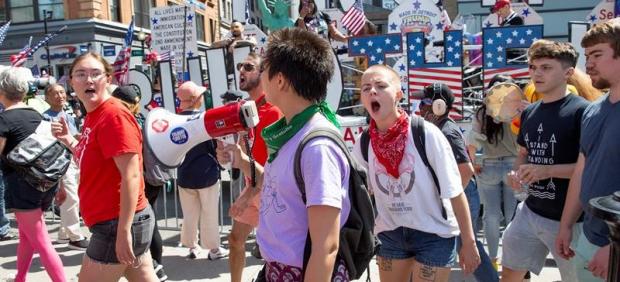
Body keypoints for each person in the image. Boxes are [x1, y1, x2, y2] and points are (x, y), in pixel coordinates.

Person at [218, 28, 350, 281]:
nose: (259, 77)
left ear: (280, 81)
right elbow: (276, 183)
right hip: (278, 269)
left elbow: (326, 246)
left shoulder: (316, 146)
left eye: (264, 70)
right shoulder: (291, 132)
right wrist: (240, 161)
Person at [353, 64, 480, 282]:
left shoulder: (425, 133)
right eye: (366, 88)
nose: (372, 91)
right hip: (390, 233)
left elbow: (456, 191)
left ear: (398, 95)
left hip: (434, 234)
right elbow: (357, 192)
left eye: (381, 85)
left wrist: (468, 242)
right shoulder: (364, 142)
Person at [51, 52, 157, 282]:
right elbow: (90, 158)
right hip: (118, 221)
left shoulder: (113, 115)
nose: (88, 80)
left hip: (116, 223)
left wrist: (123, 232)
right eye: (81, 74)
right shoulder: (93, 114)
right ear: (71, 82)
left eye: (95, 73)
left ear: (108, 79)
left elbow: (131, 175)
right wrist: (68, 139)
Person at [501, 40, 588, 282]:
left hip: (571, 219)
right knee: (509, 272)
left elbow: (589, 169)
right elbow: (522, 154)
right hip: (529, 211)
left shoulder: (583, 112)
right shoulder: (529, 112)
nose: (537, 73)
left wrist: (546, 170)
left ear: (568, 73)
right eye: (533, 67)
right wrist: (516, 174)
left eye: (546, 67)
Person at [555, 20, 620, 281]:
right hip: (588, 239)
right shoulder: (592, 110)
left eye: (597, 54)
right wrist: (566, 225)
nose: (588, 64)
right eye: (587, 56)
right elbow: (583, 171)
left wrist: (616, 247)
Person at [417, 83, 498, 282]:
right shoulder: (441, 128)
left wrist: (450, 200)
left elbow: (466, 169)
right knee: (464, 242)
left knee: (467, 242)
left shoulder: (447, 132)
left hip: (462, 193)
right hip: (458, 193)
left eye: (424, 102)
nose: (419, 107)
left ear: (438, 106)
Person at [0, 67, 66, 282]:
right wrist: (62, 185)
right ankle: (20, 277)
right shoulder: (36, 115)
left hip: (23, 186)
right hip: (47, 182)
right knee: (28, 237)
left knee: (41, 241)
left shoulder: (4, 120)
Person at [227, 53, 282, 282]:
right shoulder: (246, 110)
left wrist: (249, 193)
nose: (242, 70)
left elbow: (274, 166)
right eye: (240, 66)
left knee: (275, 251)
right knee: (235, 240)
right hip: (255, 185)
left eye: (249, 66)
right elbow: (245, 155)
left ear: (263, 73)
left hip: (272, 190)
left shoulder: (273, 111)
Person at [111, 85, 170, 282]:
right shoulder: (147, 120)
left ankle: (152, 267)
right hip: (153, 178)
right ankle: (156, 266)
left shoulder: (124, 123)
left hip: (138, 180)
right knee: (150, 223)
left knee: (138, 225)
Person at [466, 75, 520, 270]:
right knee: (511, 215)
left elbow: (472, 141)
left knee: (491, 215)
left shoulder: (482, 112)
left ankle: (493, 259)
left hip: (487, 165)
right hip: (513, 165)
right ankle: (511, 258)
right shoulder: (517, 109)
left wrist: (473, 164)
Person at [175, 81, 228, 261]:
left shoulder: (176, 120)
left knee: (189, 214)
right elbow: (216, 145)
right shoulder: (205, 119)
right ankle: (213, 249)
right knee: (209, 212)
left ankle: (191, 245)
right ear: (194, 99)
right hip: (207, 173)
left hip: (184, 174)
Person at [42, 84, 89, 251]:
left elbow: (74, 135)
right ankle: (75, 236)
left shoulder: (67, 114)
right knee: (71, 198)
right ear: (47, 98)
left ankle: (63, 233)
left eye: (62, 92)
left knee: (72, 196)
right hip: (59, 161)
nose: (60, 96)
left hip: (73, 159)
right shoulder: (45, 118)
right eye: (55, 93)